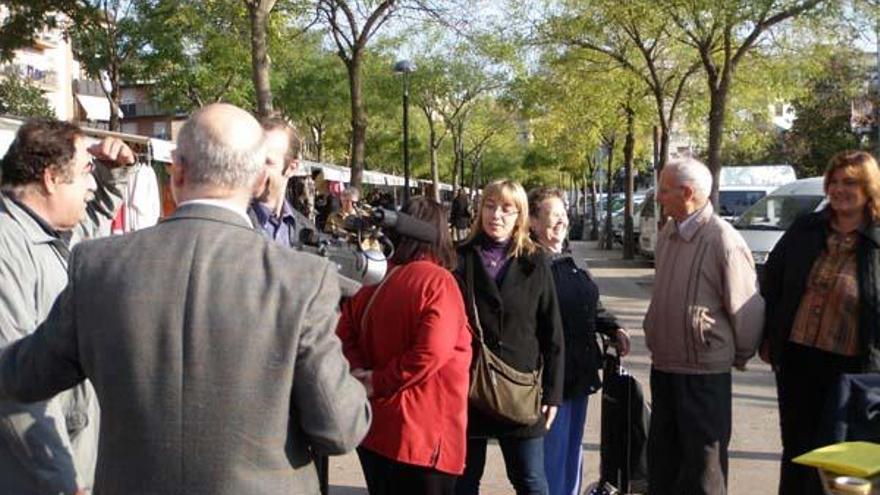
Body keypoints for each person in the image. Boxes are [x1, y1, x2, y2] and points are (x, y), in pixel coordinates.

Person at [0, 103, 371, 494]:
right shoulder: (302, 279)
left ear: (177, 171)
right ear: (260, 178)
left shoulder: (97, 265)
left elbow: (20, 378)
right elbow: (340, 428)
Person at [0, 118, 136, 495]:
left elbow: (94, 219)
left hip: (71, 458)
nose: (91, 184)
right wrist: (65, 480)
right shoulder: (6, 249)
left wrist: (115, 172)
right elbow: (11, 385)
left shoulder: (54, 233)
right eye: (85, 172)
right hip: (36, 475)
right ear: (50, 178)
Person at [761, 150, 880, 495]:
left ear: (869, 188)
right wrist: (771, 335)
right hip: (799, 360)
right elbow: (774, 280)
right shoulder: (806, 229)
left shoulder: (875, 240)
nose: (840, 189)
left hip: (855, 370)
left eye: (850, 183)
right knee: (798, 450)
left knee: (844, 452)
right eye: (835, 182)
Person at [643, 158, 764, 495]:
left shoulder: (723, 240)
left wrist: (735, 353)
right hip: (665, 366)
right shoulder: (668, 233)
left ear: (687, 193)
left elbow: (747, 308)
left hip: (703, 374)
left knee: (703, 470)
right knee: (664, 463)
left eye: (664, 190)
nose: (658, 197)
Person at [337, 197, 472, 495]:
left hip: (376, 431)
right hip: (423, 435)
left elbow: (343, 332)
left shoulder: (373, 278)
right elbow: (431, 352)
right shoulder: (438, 282)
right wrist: (379, 381)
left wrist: (363, 372)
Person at [454, 179, 564, 495]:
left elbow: (552, 332)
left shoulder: (536, 260)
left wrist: (552, 393)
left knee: (530, 481)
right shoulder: (460, 257)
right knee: (464, 480)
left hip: (521, 389)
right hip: (471, 386)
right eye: (490, 206)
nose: (496, 215)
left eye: (507, 209)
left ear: (520, 216)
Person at [527, 187, 630, 495]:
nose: (561, 221)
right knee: (552, 460)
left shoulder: (572, 258)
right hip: (549, 381)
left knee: (573, 454)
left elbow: (590, 305)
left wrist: (613, 328)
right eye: (552, 215)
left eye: (563, 214)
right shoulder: (529, 265)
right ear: (532, 222)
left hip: (579, 373)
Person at [247, 116, 316, 248]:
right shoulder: (233, 220)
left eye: (266, 162)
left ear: (291, 168)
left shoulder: (306, 230)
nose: (255, 168)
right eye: (252, 159)